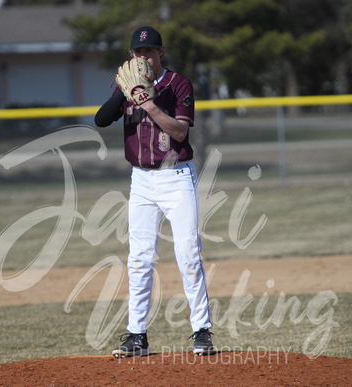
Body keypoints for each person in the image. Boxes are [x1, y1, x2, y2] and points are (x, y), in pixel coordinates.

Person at [94, 25, 215, 357]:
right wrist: (125, 92)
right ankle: (137, 336)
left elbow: (179, 133)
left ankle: (201, 330)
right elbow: (101, 120)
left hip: (175, 176)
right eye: (137, 52)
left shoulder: (178, 84)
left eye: (149, 51)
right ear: (131, 55)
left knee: (189, 253)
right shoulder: (128, 84)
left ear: (161, 52)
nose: (143, 57)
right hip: (141, 181)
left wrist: (147, 103)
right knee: (139, 258)